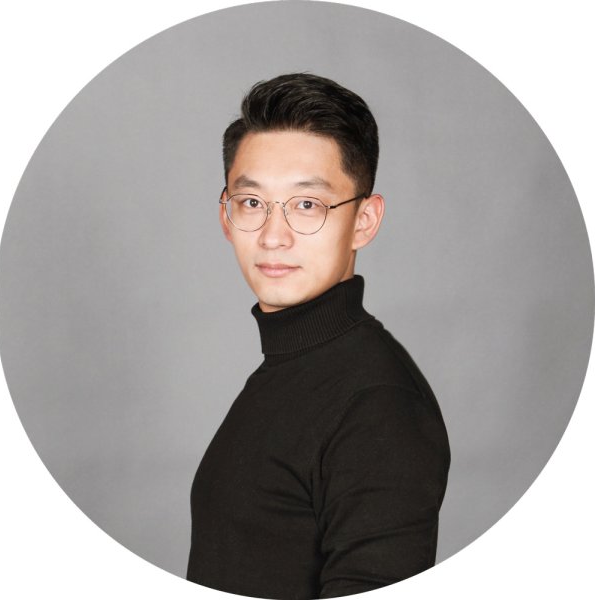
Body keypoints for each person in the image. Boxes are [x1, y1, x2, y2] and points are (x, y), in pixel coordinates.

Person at [186, 73, 450, 599]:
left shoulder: (377, 402)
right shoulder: (289, 368)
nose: (273, 236)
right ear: (226, 217)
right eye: (252, 202)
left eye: (307, 205)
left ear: (364, 221)